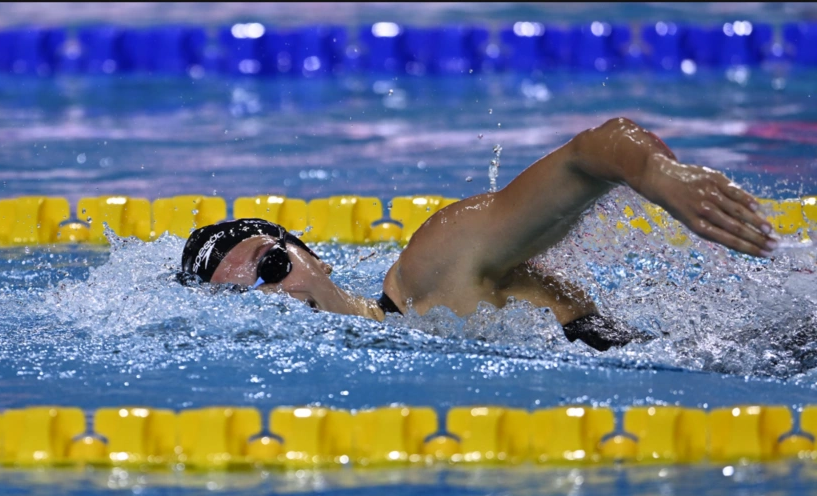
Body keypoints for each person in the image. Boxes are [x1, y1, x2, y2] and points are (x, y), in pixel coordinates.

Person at [179, 118, 778, 351]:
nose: (273, 296)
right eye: (241, 297)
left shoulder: (432, 272)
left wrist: (658, 175)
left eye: (274, 266)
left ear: (315, 257)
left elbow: (591, 152)